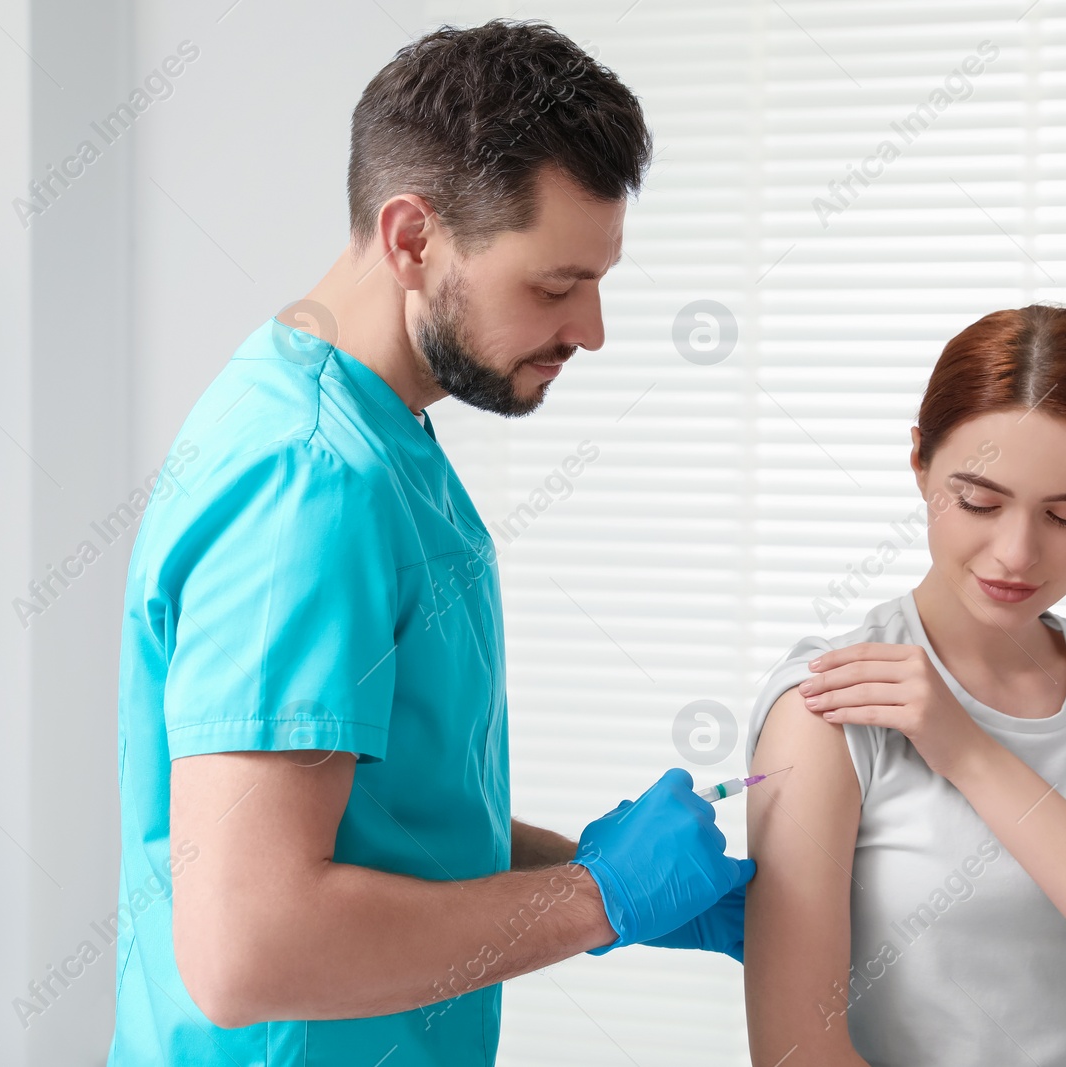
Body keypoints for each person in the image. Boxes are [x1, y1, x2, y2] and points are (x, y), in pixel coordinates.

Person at [108, 20, 753, 1066]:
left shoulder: (376, 431)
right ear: (413, 238)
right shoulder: (306, 482)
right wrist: (595, 899)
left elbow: (377, 817)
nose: (591, 329)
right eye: (553, 285)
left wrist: (588, 870)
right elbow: (247, 949)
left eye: (599, 279)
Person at [742, 304, 1066, 1066]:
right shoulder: (832, 706)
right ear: (919, 463)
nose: (1017, 552)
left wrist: (968, 751)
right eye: (979, 502)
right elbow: (795, 1053)